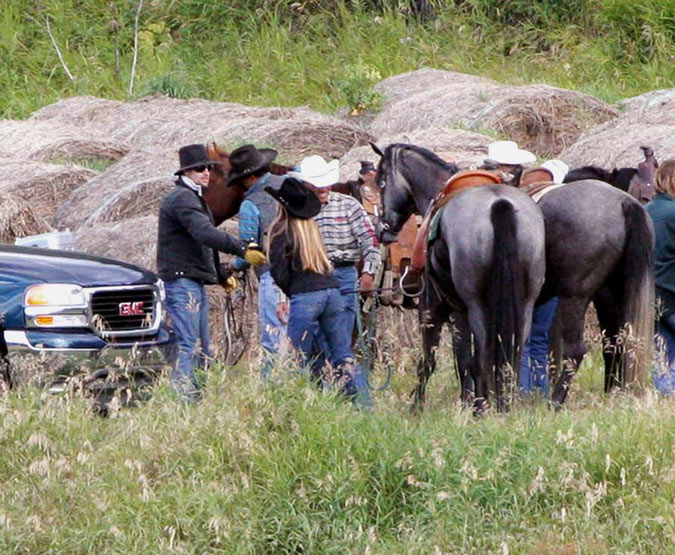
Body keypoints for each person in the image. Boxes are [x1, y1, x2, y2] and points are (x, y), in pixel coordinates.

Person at [157, 144, 267, 402]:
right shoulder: (183, 199)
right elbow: (204, 234)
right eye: (199, 169)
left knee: (202, 348)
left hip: (191, 280)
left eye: (208, 167)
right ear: (186, 173)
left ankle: (196, 401)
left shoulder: (193, 198)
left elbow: (201, 243)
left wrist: (219, 274)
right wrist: (242, 249)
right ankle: (183, 404)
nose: (206, 173)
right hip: (182, 282)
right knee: (188, 345)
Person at [265, 177, 357, 399]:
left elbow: (278, 273)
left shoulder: (279, 231)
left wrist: (293, 291)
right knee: (342, 354)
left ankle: (295, 404)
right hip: (333, 293)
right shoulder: (312, 229)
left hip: (305, 296)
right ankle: (356, 404)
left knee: (297, 356)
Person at [228, 144, 288, 377]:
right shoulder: (291, 185)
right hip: (304, 275)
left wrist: (232, 266)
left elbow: (249, 249)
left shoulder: (250, 204)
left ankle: (272, 390)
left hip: (272, 276)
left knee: (274, 338)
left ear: (249, 177)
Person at [519, 158, 568, 397]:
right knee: (540, 338)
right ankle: (542, 390)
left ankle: (524, 390)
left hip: (527, 286)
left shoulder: (523, 214)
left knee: (524, 341)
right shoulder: (559, 220)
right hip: (550, 285)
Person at [645, 159, 675, 395]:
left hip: (648, 295)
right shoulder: (673, 213)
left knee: (662, 351)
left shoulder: (646, 211)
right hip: (672, 291)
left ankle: (665, 394)